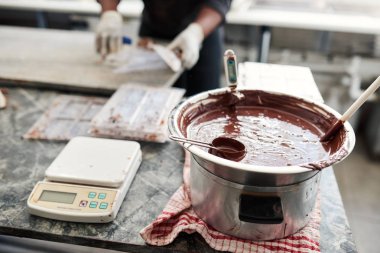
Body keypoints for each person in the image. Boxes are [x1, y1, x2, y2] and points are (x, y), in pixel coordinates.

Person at [96, 0, 232, 96]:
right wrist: (109, 13)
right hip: (153, 31)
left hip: (202, 28)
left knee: (204, 99)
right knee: (147, 99)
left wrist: (196, 32)